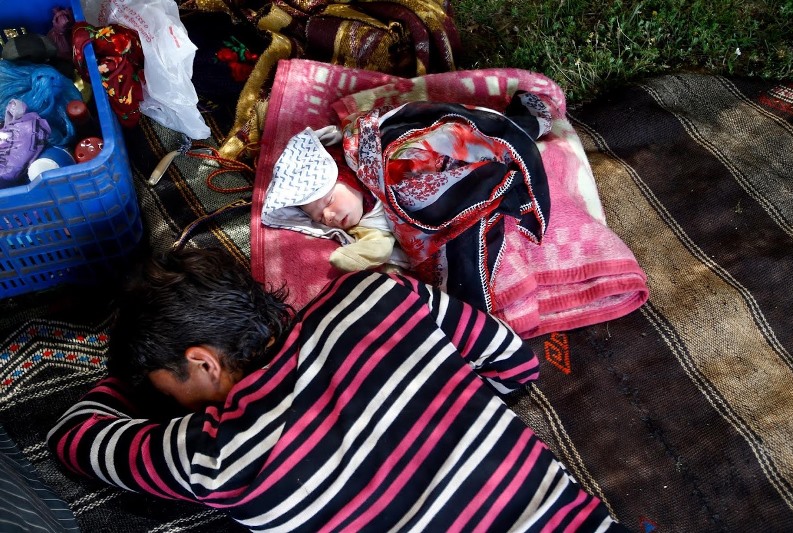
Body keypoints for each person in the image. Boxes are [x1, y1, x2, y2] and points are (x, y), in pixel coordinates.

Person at [48, 247, 625, 532]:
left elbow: (73, 436)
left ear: (201, 362)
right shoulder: (374, 297)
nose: (173, 409)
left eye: (167, 392)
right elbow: (515, 365)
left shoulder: (215, 456)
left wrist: (131, 378)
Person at [261, 126, 405, 272]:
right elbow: (378, 246)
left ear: (349, 178)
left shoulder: (377, 162)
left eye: (329, 201)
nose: (328, 217)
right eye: (320, 219)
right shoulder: (367, 226)